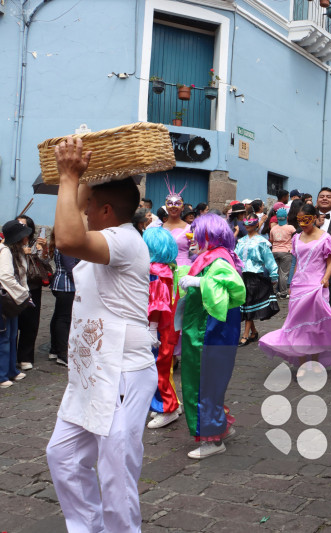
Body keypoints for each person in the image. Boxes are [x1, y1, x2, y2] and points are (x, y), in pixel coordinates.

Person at [46, 137, 156, 532]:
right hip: (94, 375)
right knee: (63, 457)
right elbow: (72, 212)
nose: (84, 209)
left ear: (107, 210)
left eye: (91, 204)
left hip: (122, 372)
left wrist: (71, 173)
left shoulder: (123, 240)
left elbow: (68, 237)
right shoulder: (110, 236)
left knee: (115, 475)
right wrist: (77, 178)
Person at [178, 214, 246, 459]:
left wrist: (200, 282)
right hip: (205, 329)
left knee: (202, 382)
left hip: (210, 332)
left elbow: (236, 289)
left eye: (195, 233)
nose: (190, 239)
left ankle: (212, 439)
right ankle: (218, 427)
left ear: (210, 235)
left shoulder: (217, 259)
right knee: (208, 381)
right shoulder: (210, 257)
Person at [259, 204, 331, 376]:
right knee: (297, 324)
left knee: (314, 326)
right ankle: (302, 363)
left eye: (306, 220)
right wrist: (292, 283)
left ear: (315, 218)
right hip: (299, 285)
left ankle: (314, 362)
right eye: (300, 220)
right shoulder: (296, 238)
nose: (302, 224)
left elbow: (330, 262)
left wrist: (325, 278)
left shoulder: (326, 238)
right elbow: (295, 262)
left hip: (317, 286)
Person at [142, 227, 183, 430]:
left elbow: (156, 305)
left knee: (158, 368)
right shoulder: (168, 268)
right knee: (163, 368)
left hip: (159, 329)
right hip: (168, 327)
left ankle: (167, 408)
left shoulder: (155, 271)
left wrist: (151, 328)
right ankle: (168, 403)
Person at [234, 211, 279, 347]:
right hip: (242, 275)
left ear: (256, 224)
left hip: (255, 275)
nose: (247, 225)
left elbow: (269, 260)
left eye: (251, 222)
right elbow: (236, 257)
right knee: (245, 303)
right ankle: (253, 332)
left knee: (249, 302)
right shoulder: (241, 241)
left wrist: (274, 275)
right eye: (245, 223)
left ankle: (245, 335)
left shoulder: (262, 242)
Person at [0, 220, 32, 387]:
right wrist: (23, 294)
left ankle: (11, 370)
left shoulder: (18, 252)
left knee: (12, 336)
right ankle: (2, 375)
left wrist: (25, 294)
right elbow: (5, 277)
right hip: (5, 299)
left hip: (13, 299)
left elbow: (22, 276)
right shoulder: (5, 251)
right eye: (24, 234)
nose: (27, 236)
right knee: (4, 337)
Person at [16, 215, 49, 371]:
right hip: (15, 287)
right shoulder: (9, 243)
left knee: (31, 323)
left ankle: (25, 357)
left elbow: (46, 262)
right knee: (13, 323)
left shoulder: (36, 243)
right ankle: (10, 356)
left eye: (23, 225)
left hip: (33, 286)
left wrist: (44, 250)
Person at [49, 233, 78, 367]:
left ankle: (55, 349)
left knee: (58, 316)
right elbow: (70, 268)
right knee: (64, 319)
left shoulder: (62, 242)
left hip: (61, 284)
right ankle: (62, 353)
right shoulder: (67, 244)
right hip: (66, 286)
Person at [269, 207, 295, 299]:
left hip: (274, 251)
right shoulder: (290, 228)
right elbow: (296, 237)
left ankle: (273, 292)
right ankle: (283, 293)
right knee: (284, 273)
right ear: (286, 217)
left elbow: (271, 240)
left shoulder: (273, 229)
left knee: (274, 272)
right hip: (286, 251)